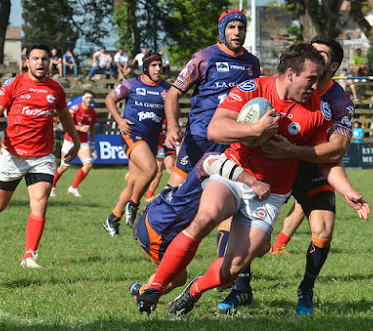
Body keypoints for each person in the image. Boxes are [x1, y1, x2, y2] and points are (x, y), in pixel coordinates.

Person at [133, 43, 359, 318]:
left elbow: (327, 160)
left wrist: (347, 190)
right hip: (235, 173)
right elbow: (215, 129)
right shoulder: (253, 89)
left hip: (270, 194)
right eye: (311, 79)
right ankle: (154, 287)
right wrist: (255, 129)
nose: (315, 86)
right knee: (208, 216)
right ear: (290, 74)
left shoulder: (318, 111)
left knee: (234, 267)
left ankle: (194, 289)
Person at [236, 35, 368, 316]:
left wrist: (346, 189)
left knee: (324, 229)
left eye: (319, 55)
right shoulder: (284, 81)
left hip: (309, 165)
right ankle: (241, 284)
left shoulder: (338, 99)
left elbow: (337, 149)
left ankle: (306, 288)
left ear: (332, 66)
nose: (311, 56)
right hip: (272, 162)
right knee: (245, 227)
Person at [162, 9, 260, 258]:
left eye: (240, 28)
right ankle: (159, 241)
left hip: (231, 141)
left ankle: (222, 267)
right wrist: (173, 127)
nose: (237, 32)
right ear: (222, 30)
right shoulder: (204, 58)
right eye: (231, 27)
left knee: (228, 199)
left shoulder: (252, 63)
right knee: (178, 193)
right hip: (199, 139)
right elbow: (173, 93)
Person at [0, 44, 80, 268]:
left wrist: (75, 141)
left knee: (40, 202)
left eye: (44, 59)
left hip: (42, 156)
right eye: (35, 59)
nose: (40, 63)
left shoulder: (56, 89)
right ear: (27, 61)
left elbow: (65, 115)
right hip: (13, 155)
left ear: (50, 62)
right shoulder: (14, 84)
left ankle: (29, 256)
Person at [132, 152, 271, 295]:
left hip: (155, 214)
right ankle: (142, 294)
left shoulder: (221, 163)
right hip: (158, 232)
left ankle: (142, 291)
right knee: (176, 279)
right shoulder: (222, 165)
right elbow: (209, 162)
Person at [102, 52, 171, 236]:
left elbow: (174, 111)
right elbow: (110, 99)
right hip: (132, 135)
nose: (158, 68)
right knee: (151, 170)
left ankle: (112, 219)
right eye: (154, 65)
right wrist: (119, 120)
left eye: (160, 65)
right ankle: (133, 206)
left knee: (133, 184)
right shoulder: (131, 84)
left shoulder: (166, 89)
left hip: (151, 140)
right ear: (146, 67)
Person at [51, 90, 98, 198]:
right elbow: (66, 124)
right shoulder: (75, 109)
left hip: (83, 141)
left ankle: (74, 187)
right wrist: (80, 128)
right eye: (87, 98)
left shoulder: (93, 112)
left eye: (91, 98)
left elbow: (92, 129)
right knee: (64, 167)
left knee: (88, 164)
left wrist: (92, 143)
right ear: (83, 99)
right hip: (70, 140)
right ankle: (52, 186)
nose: (89, 100)